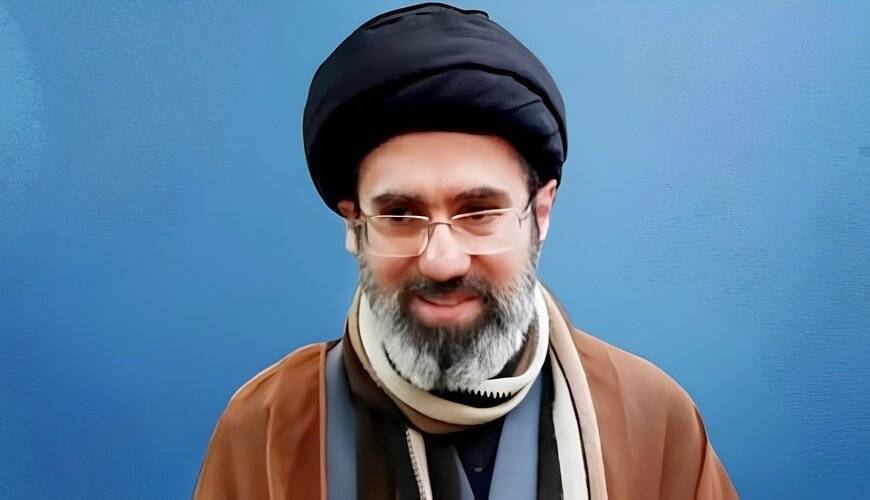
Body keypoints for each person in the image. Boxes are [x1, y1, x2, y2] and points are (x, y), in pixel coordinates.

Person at [194, 3, 738, 499]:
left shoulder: (654, 421)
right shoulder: (266, 428)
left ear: (540, 213)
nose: (442, 261)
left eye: (478, 212)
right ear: (354, 225)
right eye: (400, 215)